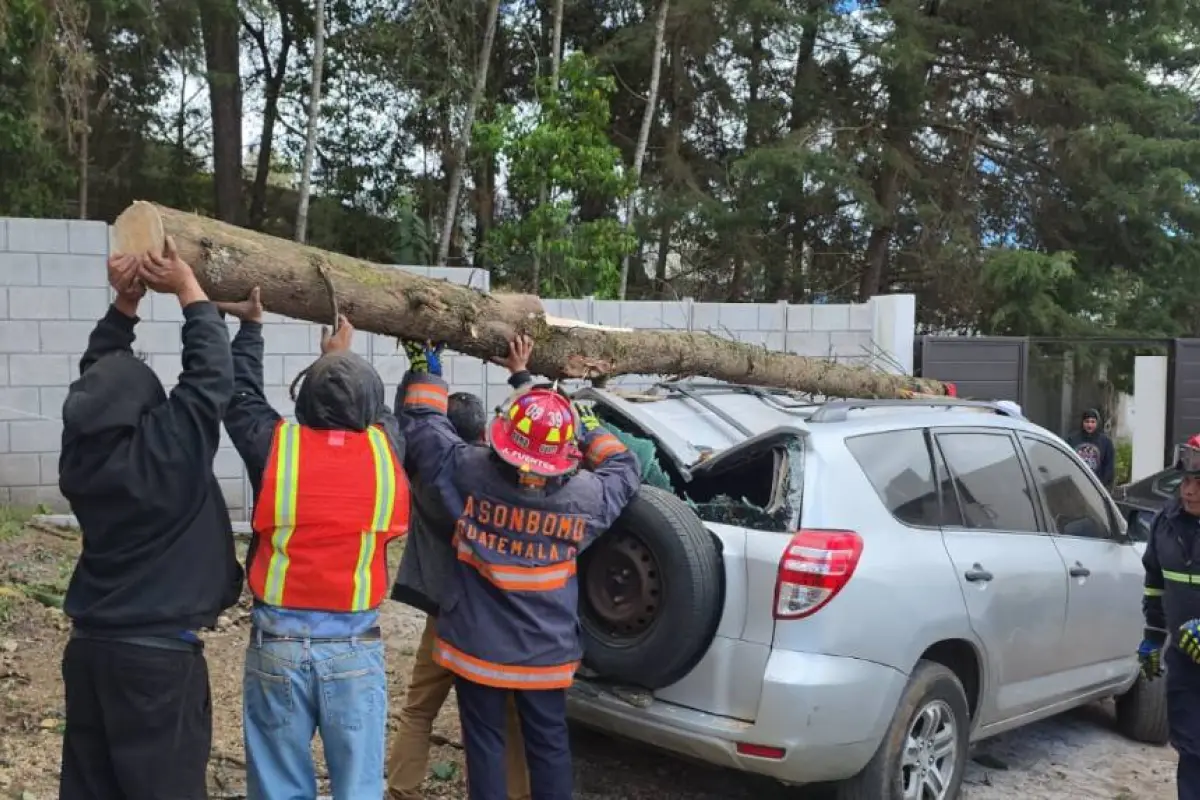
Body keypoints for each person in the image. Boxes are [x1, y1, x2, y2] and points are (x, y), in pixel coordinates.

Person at [396, 335, 641, 800]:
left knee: (484, 747)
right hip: (545, 655)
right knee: (548, 748)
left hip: (476, 649)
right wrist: (581, 420)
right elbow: (624, 466)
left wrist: (426, 366)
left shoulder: (469, 473)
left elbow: (426, 426)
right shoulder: (583, 497)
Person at [57, 241, 243, 800]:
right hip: (155, 665)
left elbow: (96, 381)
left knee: (92, 787)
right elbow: (210, 378)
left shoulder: (81, 455)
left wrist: (125, 304)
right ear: (143, 411)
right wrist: (189, 290)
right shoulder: (164, 453)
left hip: (89, 652)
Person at [218, 288, 410, 800]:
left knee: (278, 788)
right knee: (359, 787)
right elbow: (392, 411)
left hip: (277, 645)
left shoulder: (274, 447)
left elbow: (240, 396)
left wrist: (252, 328)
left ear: (302, 401)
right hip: (353, 649)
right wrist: (341, 358)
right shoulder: (386, 452)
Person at [387, 344, 531, 800]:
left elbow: (413, 422)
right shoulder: (497, 480)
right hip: (494, 616)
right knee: (507, 717)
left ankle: (400, 790)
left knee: (418, 710)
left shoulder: (425, 471)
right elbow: (533, 434)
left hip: (444, 613)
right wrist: (521, 374)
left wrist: (424, 369)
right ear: (486, 437)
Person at [1140, 434, 1200, 799]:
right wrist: (1152, 635)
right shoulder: (1166, 521)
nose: (1189, 491)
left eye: (1199, 483)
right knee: (1190, 749)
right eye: (1186, 481)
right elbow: (1155, 581)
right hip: (1184, 660)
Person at [1067, 408, 1115, 490]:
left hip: (1097, 487)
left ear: (1097, 423)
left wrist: (1100, 486)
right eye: (1087, 421)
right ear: (1082, 422)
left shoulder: (1106, 442)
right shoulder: (1072, 440)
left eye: (1093, 422)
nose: (1089, 425)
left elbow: (1109, 468)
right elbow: (1066, 462)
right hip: (1075, 486)